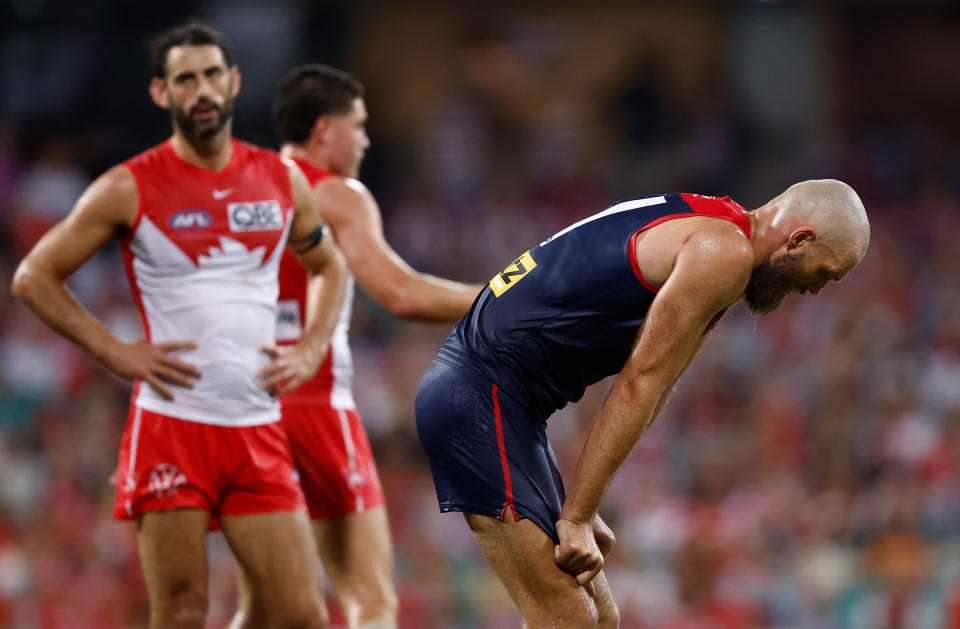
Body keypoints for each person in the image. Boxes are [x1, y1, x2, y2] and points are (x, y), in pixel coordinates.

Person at [10, 22, 347, 629]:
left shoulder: (281, 180)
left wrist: (312, 346)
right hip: (173, 427)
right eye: (185, 78)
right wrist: (113, 350)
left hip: (257, 428)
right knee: (182, 613)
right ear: (161, 94)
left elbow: (330, 267)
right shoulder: (127, 186)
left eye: (212, 75)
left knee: (301, 614)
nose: (202, 90)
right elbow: (33, 277)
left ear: (234, 82)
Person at [415, 182, 870, 627]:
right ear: (800, 239)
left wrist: (584, 506)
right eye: (825, 274)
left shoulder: (713, 224)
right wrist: (576, 516)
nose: (816, 291)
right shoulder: (722, 254)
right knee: (568, 618)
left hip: (498, 401)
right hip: (478, 394)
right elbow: (640, 382)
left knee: (602, 618)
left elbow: (658, 381)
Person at [229, 64, 482, 629]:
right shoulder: (337, 195)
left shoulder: (237, 191)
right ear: (324, 130)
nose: (367, 139)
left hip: (242, 415)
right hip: (314, 406)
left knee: (264, 608)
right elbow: (400, 293)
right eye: (359, 125)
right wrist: (500, 298)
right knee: (369, 600)